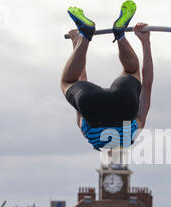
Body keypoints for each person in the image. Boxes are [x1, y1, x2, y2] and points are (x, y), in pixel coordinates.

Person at [61, 0, 153, 151]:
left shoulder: (131, 135)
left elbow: (147, 84)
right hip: (91, 106)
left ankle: (120, 35)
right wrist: (77, 42)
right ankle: (85, 35)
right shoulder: (90, 137)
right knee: (68, 82)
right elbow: (80, 82)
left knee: (132, 71)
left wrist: (145, 42)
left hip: (125, 102)